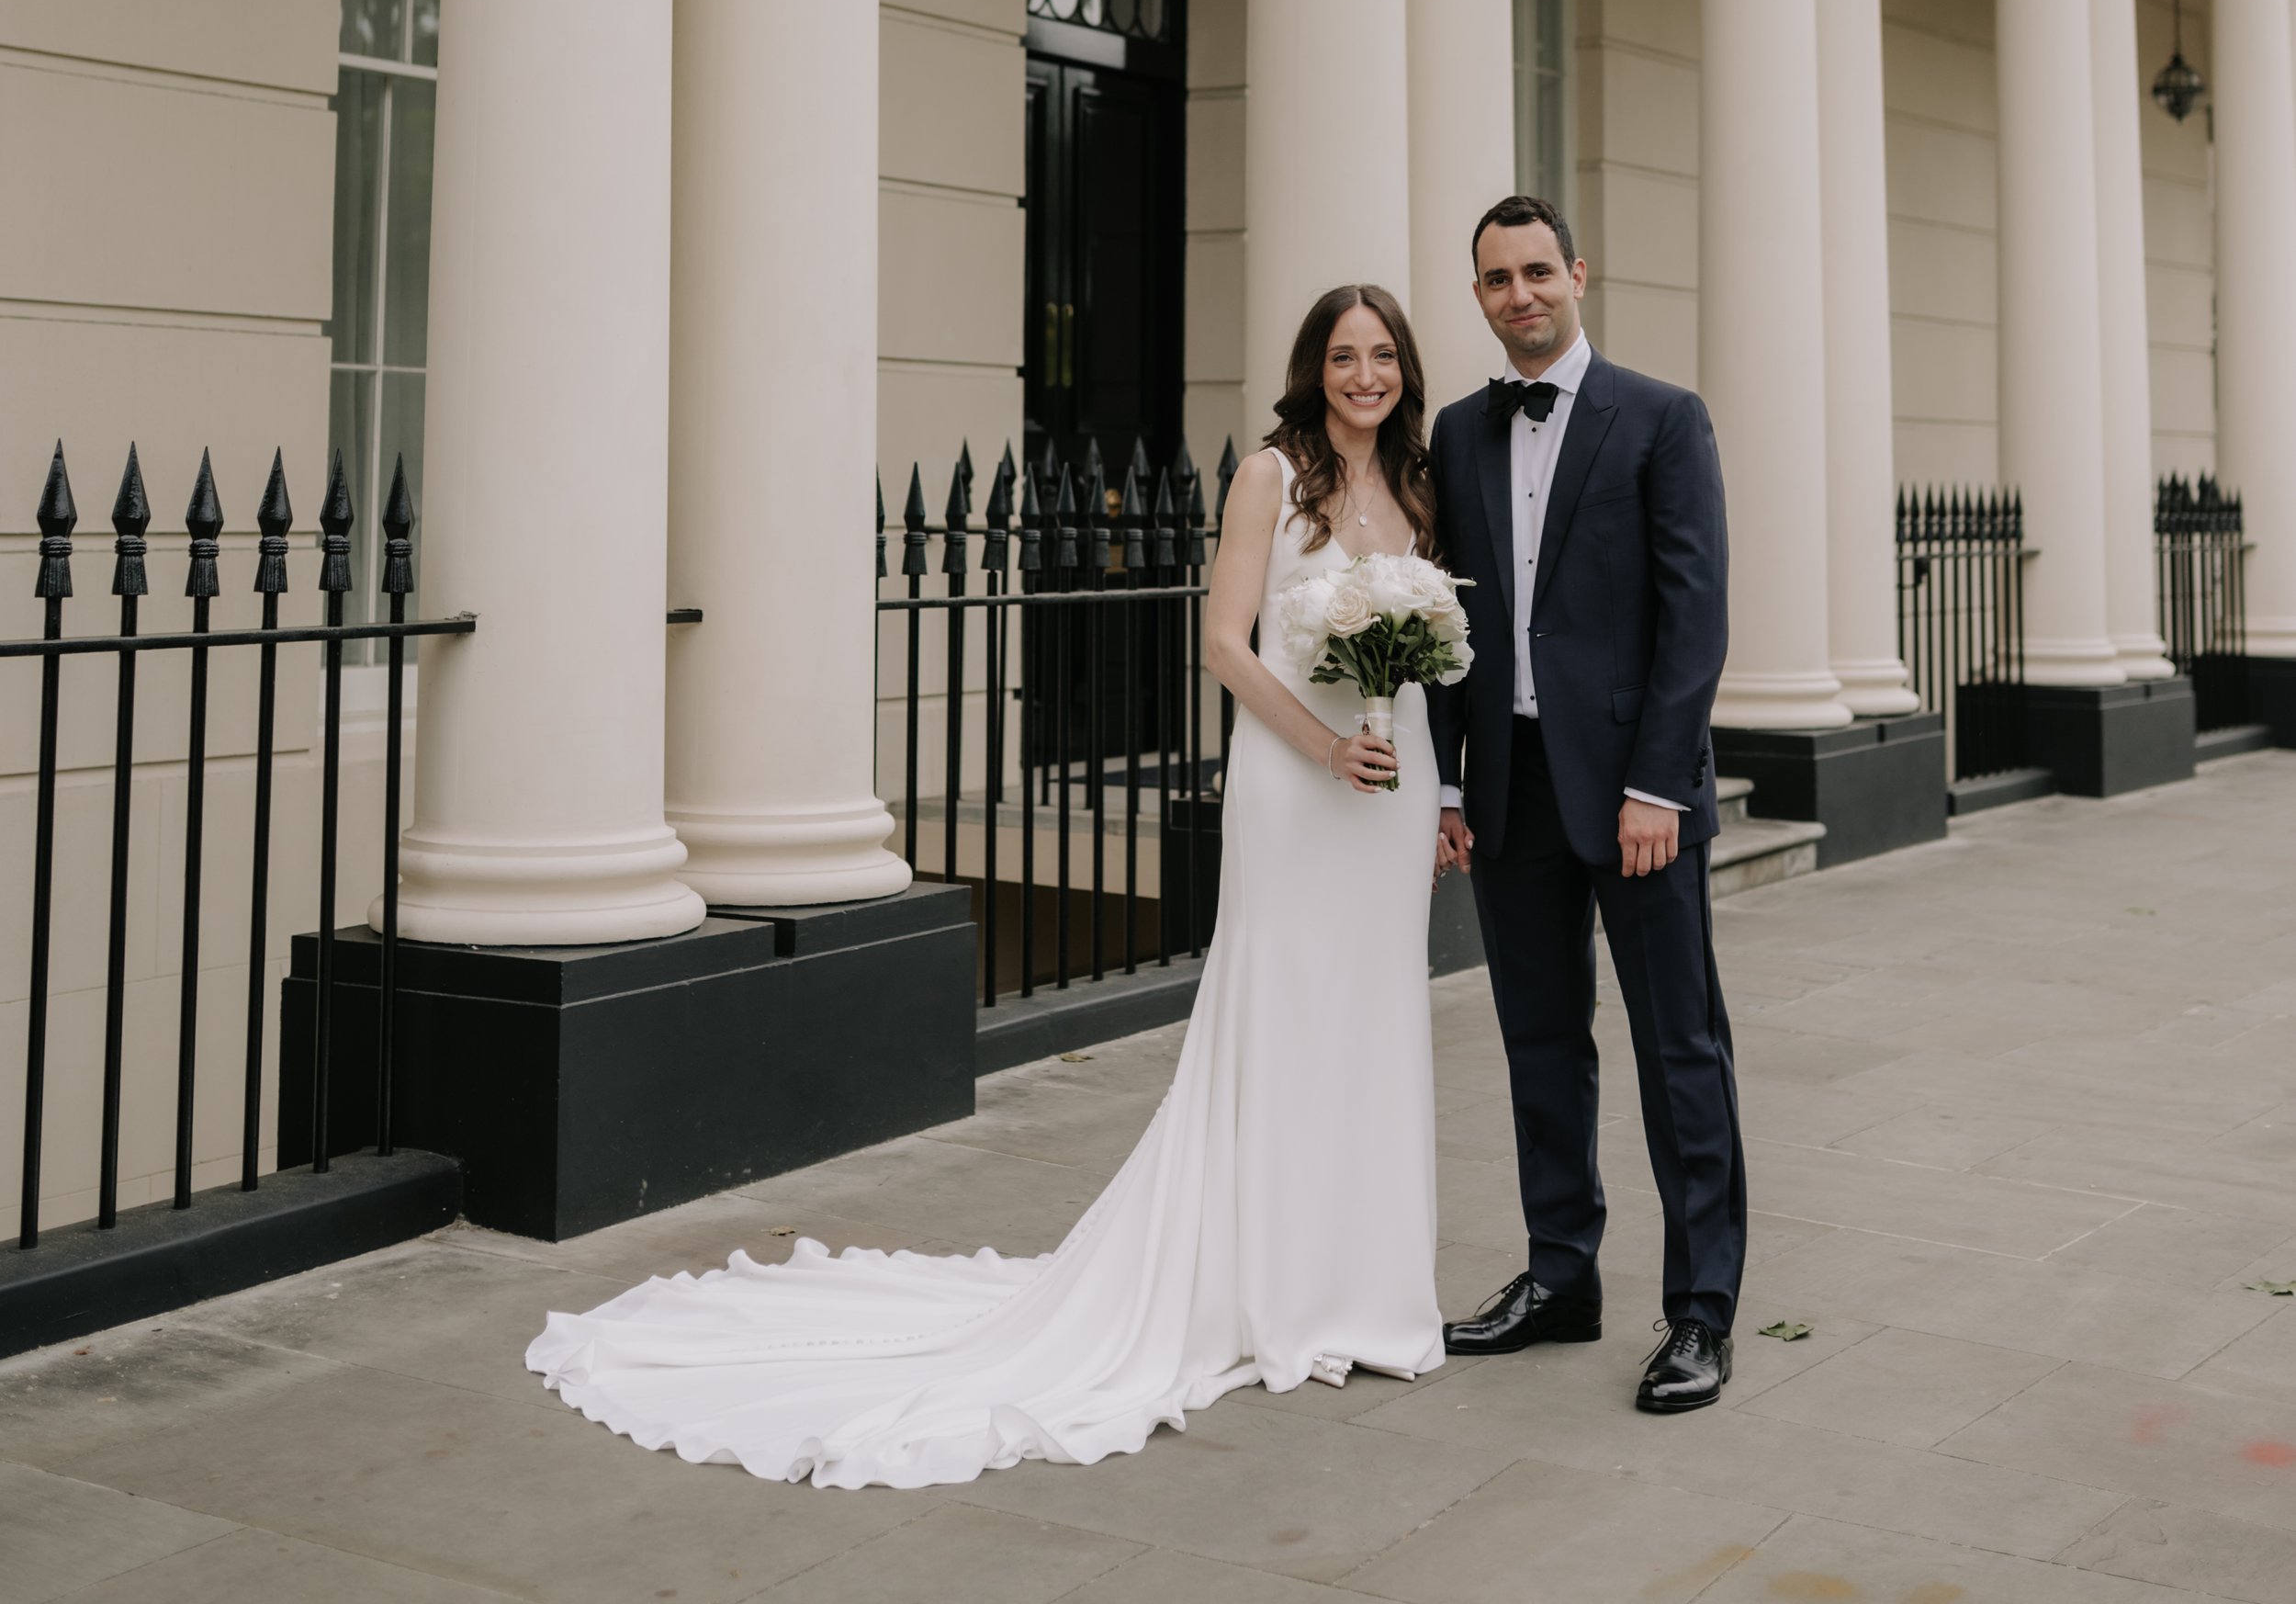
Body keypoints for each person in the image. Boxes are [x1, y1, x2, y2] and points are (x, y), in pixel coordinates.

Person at [526, 285, 1446, 1488]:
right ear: (1312, 367)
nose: (1363, 373)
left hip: (1394, 783)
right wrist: (1322, 744)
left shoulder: (1419, 485)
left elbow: (1434, 644)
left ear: (1404, 368)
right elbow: (1225, 640)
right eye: (1344, 353)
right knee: (1282, 1012)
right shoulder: (1273, 475)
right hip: (1297, 777)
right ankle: (1272, 1285)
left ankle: (1364, 1284)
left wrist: (1425, 775)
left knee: (1374, 1019)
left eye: (1381, 354)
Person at [1427, 193, 1745, 1415]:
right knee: (1540, 1048)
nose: (1521, 294)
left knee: (1681, 1052)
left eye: (1537, 272)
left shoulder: (1662, 419)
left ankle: (1702, 1312)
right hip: (1507, 796)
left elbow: (1693, 615)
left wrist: (1660, 779)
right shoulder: (1458, 433)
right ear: (1480, 297)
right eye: (1497, 279)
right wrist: (1452, 781)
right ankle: (1562, 1276)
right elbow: (1449, 620)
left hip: (1634, 801)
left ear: (1579, 274)